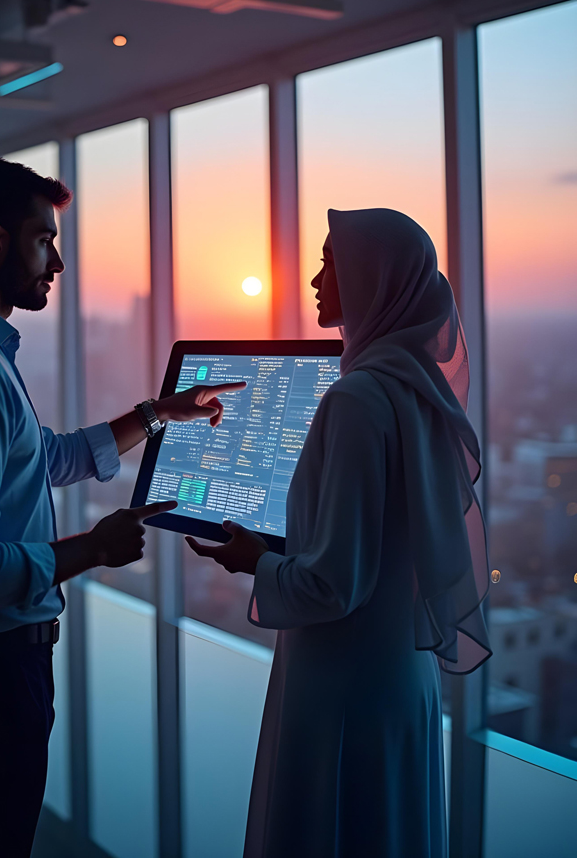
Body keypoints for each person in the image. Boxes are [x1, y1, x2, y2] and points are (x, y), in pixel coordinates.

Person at [0, 155, 244, 858]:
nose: (58, 260)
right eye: (44, 238)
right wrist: (95, 548)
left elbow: (43, 459)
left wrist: (157, 415)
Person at [186, 207, 491, 858]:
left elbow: (332, 584)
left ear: (376, 280)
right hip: (400, 678)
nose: (318, 277)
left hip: (343, 688)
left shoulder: (355, 399)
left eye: (334, 261)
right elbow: (379, 549)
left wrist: (254, 560)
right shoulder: (418, 390)